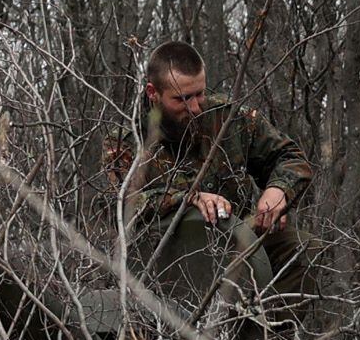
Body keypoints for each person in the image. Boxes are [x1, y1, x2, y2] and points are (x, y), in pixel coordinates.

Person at [109, 41, 310, 260]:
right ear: (152, 92)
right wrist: (186, 199)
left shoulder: (229, 118)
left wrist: (278, 190)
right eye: (183, 98)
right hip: (166, 257)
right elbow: (118, 205)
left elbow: (290, 157)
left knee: (306, 250)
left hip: (239, 241)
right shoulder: (127, 142)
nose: (195, 107)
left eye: (200, 94)